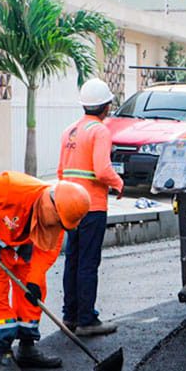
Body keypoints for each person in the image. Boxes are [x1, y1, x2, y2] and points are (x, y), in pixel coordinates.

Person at [0, 173, 90, 371]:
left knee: (34, 291)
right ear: (51, 205)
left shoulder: (59, 219)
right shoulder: (12, 188)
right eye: (58, 223)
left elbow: (47, 249)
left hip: (23, 242)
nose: (58, 228)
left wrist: (34, 278)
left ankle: (27, 347)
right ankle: (5, 353)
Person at [58, 78, 123, 336]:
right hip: (91, 207)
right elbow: (102, 170)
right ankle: (86, 320)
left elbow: (62, 171)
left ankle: (70, 317)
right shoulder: (99, 131)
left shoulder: (69, 131)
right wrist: (119, 184)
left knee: (72, 260)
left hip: (68, 205)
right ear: (106, 106)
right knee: (87, 262)